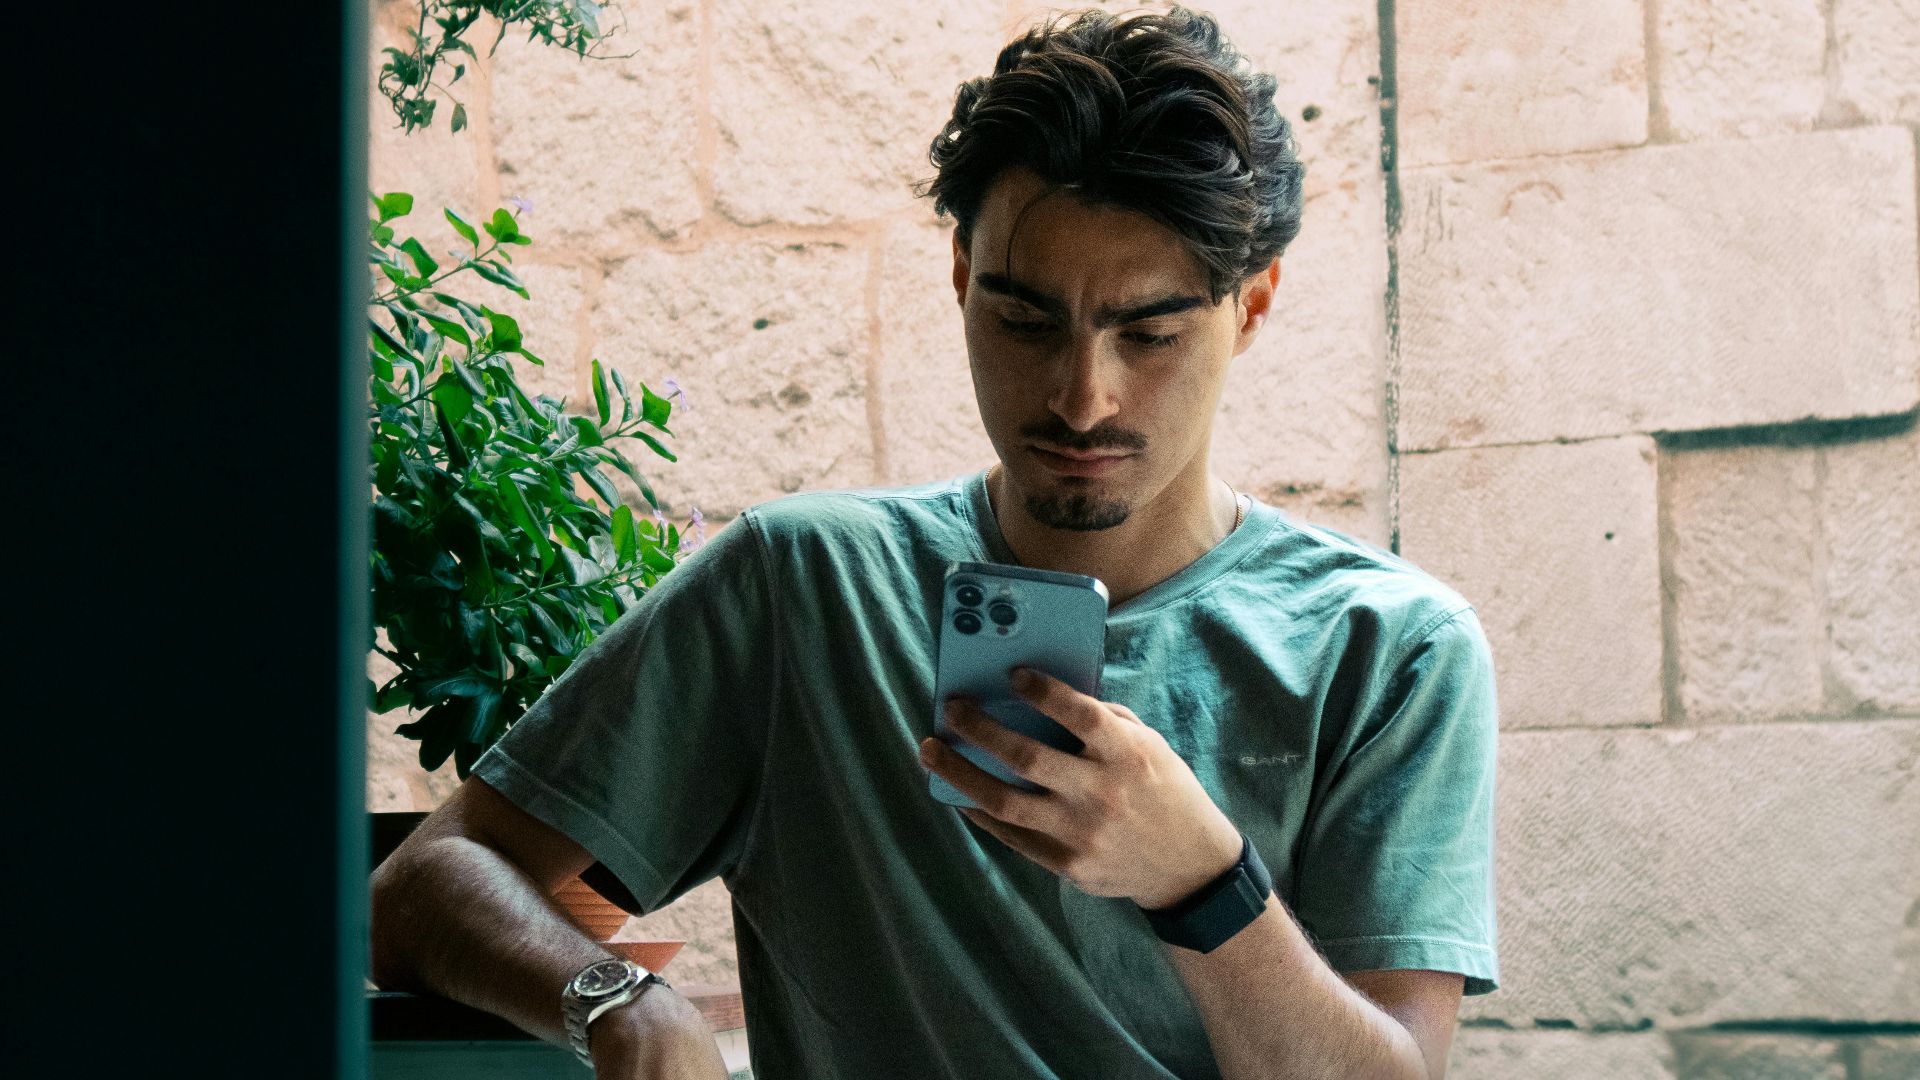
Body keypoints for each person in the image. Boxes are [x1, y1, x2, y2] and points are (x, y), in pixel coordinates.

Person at [370, 7, 1499, 1078]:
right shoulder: (806, 585)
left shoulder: (1388, 647)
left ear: (1251, 307)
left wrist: (1203, 884)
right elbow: (425, 888)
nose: (1082, 397)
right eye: (1023, 319)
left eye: (1148, 332)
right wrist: (614, 1001)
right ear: (962, 281)